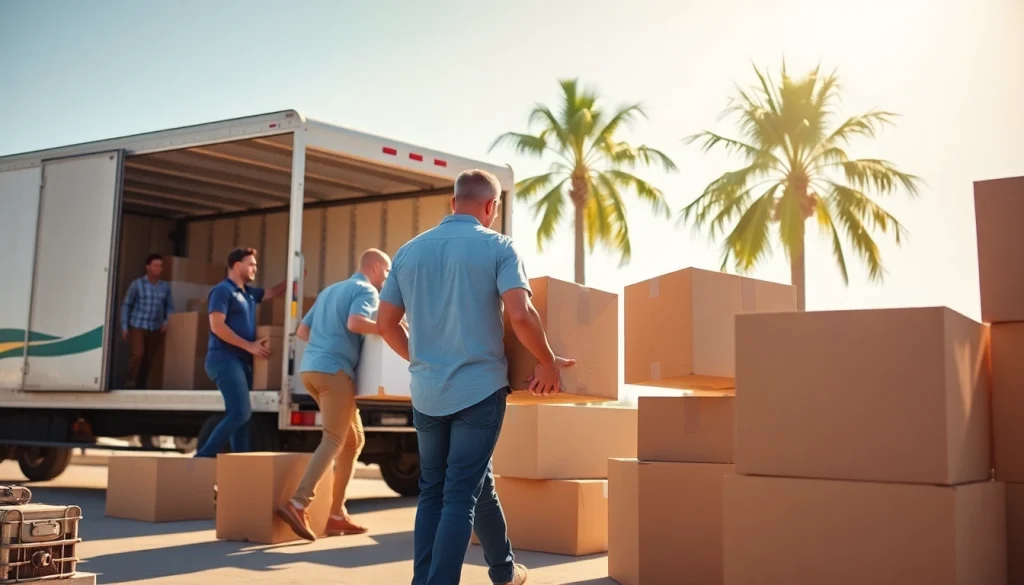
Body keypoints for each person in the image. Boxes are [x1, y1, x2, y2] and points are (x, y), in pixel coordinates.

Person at [376, 169, 575, 585]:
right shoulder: (499, 247)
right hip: (478, 391)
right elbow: (520, 315)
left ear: (453, 203)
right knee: (459, 494)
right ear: (491, 207)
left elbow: (386, 324)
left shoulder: (408, 252)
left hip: (427, 391)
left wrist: (425, 357)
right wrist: (549, 363)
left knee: (441, 489)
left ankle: (503, 572)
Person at [276, 248, 393, 541]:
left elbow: (303, 331)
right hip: (335, 372)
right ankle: (298, 503)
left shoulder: (330, 291)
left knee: (354, 440)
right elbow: (355, 323)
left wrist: (327, 342)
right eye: (388, 272)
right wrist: (387, 327)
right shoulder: (367, 291)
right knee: (334, 439)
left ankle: (337, 515)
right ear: (376, 267)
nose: (387, 279)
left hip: (311, 371)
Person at [195, 247, 286, 458]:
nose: (255, 268)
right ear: (237, 265)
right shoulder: (222, 291)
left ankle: (239, 465)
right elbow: (217, 326)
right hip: (223, 359)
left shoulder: (248, 293)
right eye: (251, 264)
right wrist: (250, 345)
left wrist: (294, 279)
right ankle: (201, 459)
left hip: (241, 361)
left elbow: (272, 293)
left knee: (243, 418)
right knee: (240, 412)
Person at [120, 254, 174, 389]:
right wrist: (124, 325)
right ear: (148, 267)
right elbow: (127, 304)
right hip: (138, 324)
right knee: (138, 354)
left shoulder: (165, 286)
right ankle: (130, 382)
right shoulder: (137, 284)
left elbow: (170, 306)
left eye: (161, 266)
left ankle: (140, 386)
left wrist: (167, 321)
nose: (159, 269)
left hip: (155, 326)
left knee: (148, 359)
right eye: (156, 266)